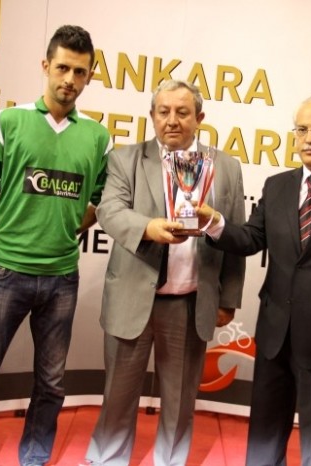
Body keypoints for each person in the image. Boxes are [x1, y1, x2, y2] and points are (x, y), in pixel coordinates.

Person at [0, 25, 112, 466]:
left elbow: (102, 200)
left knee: (52, 384)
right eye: (62, 68)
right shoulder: (7, 122)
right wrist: (13, 225)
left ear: (89, 76)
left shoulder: (98, 137)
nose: (70, 80)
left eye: (79, 72)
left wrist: (68, 228)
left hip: (62, 278)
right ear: (46, 66)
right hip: (5, 272)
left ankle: (35, 458)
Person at [195, 95, 311, 465]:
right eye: (301, 130)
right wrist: (215, 224)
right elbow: (251, 238)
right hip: (275, 331)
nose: (308, 138)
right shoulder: (277, 185)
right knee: (265, 429)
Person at [85, 80, 246, 466]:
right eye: (163, 112)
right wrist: (148, 228)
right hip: (132, 297)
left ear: (199, 118)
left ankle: (170, 461)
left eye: (182, 112)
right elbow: (110, 210)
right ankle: (107, 458)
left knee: (180, 399)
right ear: (152, 116)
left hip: (191, 303)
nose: (172, 120)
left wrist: (228, 298)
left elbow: (235, 234)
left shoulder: (225, 167)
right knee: (118, 393)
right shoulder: (125, 158)